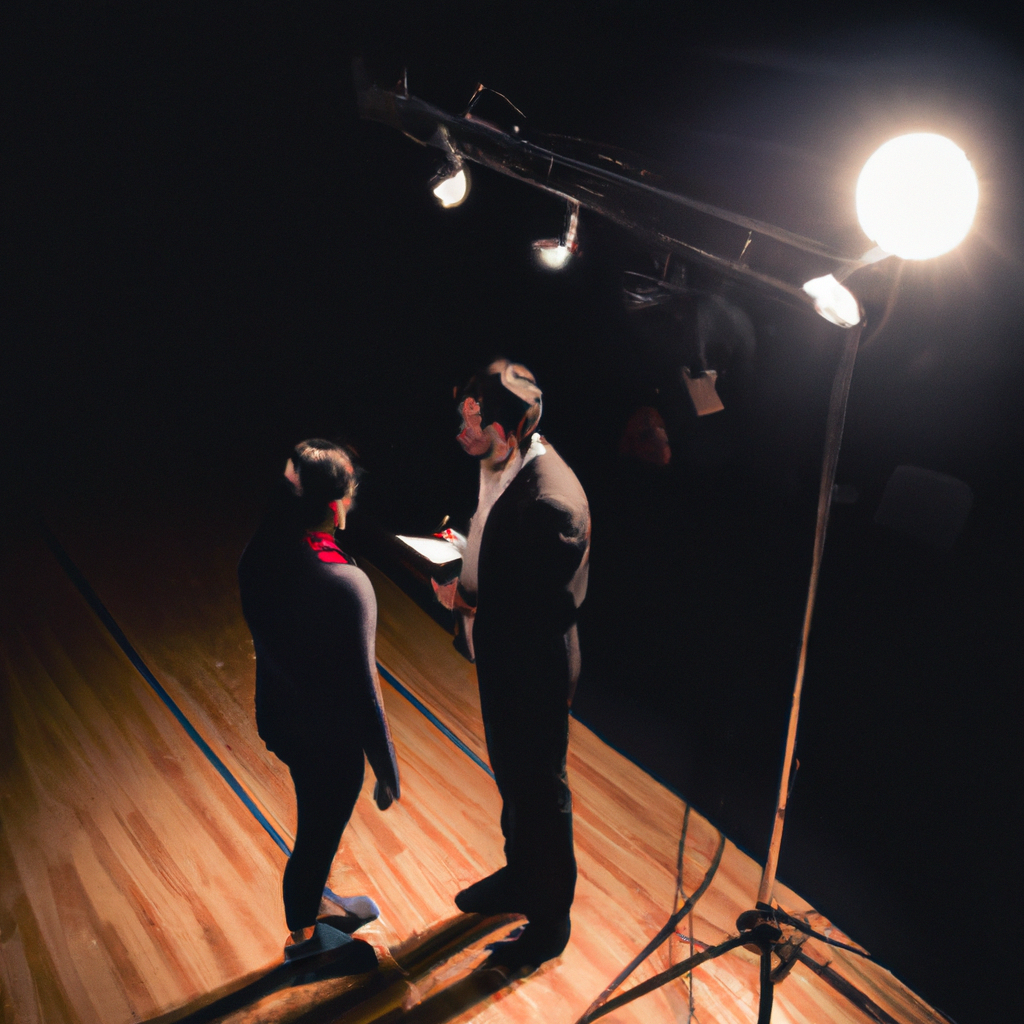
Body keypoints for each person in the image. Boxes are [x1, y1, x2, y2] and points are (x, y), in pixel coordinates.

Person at [435, 360, 591, 972]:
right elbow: (501, 547)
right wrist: (464, 553)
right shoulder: (501, 462)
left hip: (532, 674)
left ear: (507, 431)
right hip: (501, 660)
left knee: (539, 795)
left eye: (475, 423)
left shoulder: (553, 503)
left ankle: (549, 923)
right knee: (514, 785)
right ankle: (520, 878)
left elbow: (537, 608)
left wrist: (465, 598)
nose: (462, 432)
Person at [238, 439, 400, 963]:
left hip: (280, 716)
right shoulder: (345, 584)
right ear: (335, 508)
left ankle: (316, 901)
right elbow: (363, 688)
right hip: (327, 740)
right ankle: (304, 939)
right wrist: (386, 764)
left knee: (315, 818)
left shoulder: (261, 552)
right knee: (317, 833)